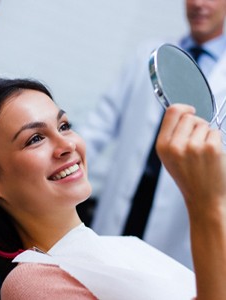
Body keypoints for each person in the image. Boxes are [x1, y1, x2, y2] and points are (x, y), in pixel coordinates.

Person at [0, 78, 226, 299]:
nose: (66, 145)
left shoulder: (127, 248)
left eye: (65, 126)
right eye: (34, 139)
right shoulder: (34, 285)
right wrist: (205, 203)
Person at [76, 0, 226, 270]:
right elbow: (99, 125)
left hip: (177, 229)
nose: (199, 4)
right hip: (122, 209)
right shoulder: (147, 53)